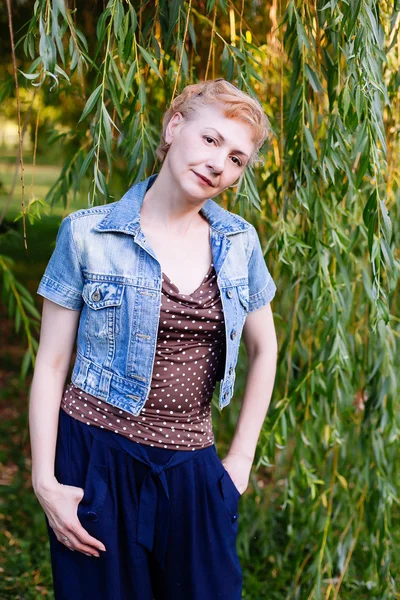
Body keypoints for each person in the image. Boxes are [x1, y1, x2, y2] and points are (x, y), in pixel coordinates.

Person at [29, 78, 278, 600]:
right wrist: (45, 481)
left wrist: (238, 461)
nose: (219, 164)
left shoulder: (238, 243)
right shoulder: (86, 234)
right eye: (211, 141)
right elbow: (51, 364)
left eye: (237, 158)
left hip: (192, 466)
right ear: (174, 127)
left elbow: (264, 349)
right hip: (96, 456)